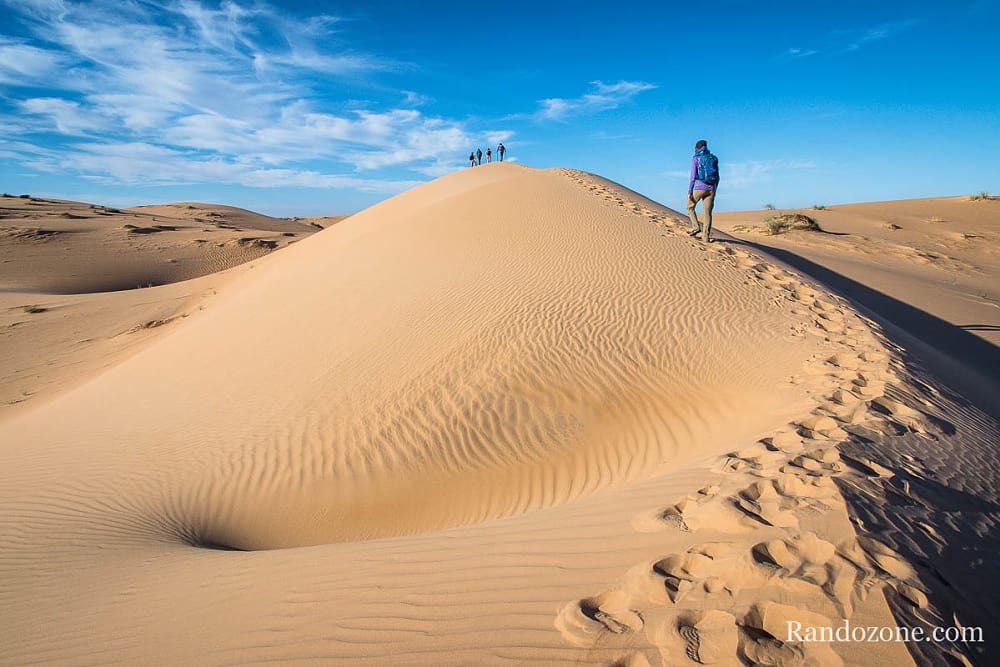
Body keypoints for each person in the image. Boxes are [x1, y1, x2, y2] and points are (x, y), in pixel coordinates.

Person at [687, 140, 720, 243]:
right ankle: (705, 237)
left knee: (690, 207)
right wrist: (714, 188)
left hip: (699, 188)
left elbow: (692, 177)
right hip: (711, 189)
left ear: (696, 148)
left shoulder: (696, 158)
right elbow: (718, 177)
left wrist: (689, 191)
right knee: (708, 213)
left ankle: (696, 227)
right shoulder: (713, 158)